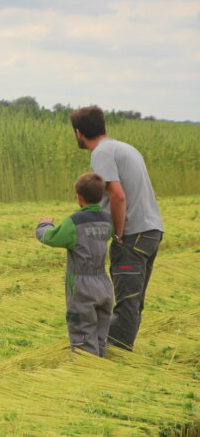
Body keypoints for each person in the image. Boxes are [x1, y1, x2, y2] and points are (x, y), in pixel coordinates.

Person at [70, 105, 164, 351]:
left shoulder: (102, 152)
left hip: (133, 234)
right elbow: (150, 191)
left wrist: (119, 234)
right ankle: (118, 346)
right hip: (152, 230)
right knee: (134, 299)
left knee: (126, 301)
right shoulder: (126, 148)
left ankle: (116, 352)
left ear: (78, 133)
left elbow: (117, 195)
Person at [35, 172, 114, 357]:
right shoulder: (107, 219)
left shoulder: (75, 222)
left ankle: (86, 371)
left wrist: (44, 225)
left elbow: (51, 238)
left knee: (82, 335)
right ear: (101, 196)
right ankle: (102, 368)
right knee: (100, 335)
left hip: (82, 286)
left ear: (79, 197)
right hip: (104, 283)